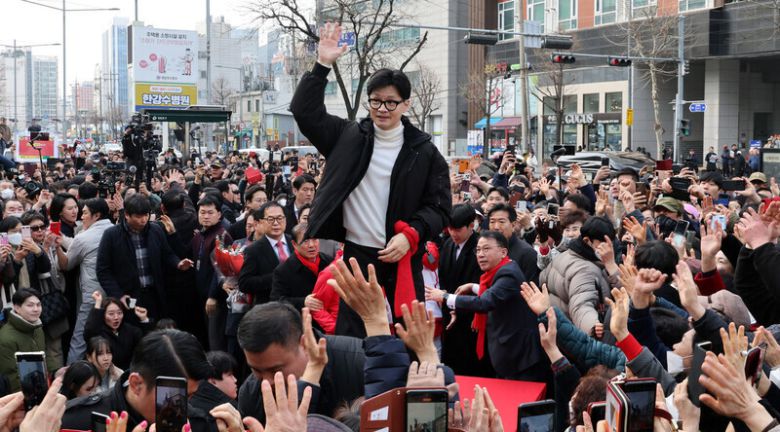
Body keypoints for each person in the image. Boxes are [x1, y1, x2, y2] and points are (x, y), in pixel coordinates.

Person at [290, 22, 451, 337]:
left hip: (404, 258)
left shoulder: (424, 151)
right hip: (358, 259)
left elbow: (440, 208)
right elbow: (304, 111)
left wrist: (412, 234)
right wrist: (322, 65)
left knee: (406, 342)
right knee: (358, 341)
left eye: (391, 102)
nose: (382, 108)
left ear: (406, 104)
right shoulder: (348, 136)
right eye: (375, 101)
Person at [426, 231, 547, 381]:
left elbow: (484, 302)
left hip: (519, 357)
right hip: (510, 354)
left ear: (503, 252)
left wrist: (445, 297)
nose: (480, 254)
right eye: (478, 250)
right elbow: (495, 293)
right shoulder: (503, 269)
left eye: (486, 249)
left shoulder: (508, 274)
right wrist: (474, 287)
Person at [237, 302, 364, 424]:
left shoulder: (358, 363)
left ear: (304, 344)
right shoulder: (251, 393)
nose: (267, 382)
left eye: (275, 370)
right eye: (256, 370)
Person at [61, 329, 213, 431]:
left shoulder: (196, 423)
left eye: (190, 396)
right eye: (174, 398)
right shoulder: (75, 421)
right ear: (136, 384)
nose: (183, 409)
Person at [96, 194, 193, 320]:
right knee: (133, 329)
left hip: (154, 293)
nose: (143, 220)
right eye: (138, 216)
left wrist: (178, 263)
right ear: (126, 215)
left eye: (146, 215)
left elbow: (167, 254)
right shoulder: (112, 235)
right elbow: (103, 270)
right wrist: (118, 295)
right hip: (129, 296)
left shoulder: (155, 230)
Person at [539, 216, 619, 336]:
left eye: (610, 243)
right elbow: (581, 305)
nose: (609, 248)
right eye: (603, 243)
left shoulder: (569, 253)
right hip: (576, 337)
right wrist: (593, 327)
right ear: (587, 241)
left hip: (561, 330)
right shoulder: (585, 270)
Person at [56, 198, 114, 364]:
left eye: (85, 212)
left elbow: (66, 264)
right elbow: (79, 245)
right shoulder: (116, 230)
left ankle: (71, 379)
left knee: (79, 339)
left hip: (92, 296)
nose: (81, 216)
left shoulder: (85, 237)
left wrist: (57, 246)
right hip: (115, 295)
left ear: (96, 215)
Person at [437, 204, 490, 377]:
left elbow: (482, 287)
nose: (453, 234)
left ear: (471, 226)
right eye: (450, 229)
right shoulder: (447, 245)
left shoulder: (480, 250)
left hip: (471, 320)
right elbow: (444, 276)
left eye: (458, 229)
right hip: (449, 316)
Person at [0, 289, 56, 391]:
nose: (36, 309)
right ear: (17, 308)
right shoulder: (5, 338)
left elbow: (44, 354)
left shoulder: (37, 327)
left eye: (38, 305)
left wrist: (56, 370)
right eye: (30, 305)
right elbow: (11, 377)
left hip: (41, 385)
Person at [270, 223, 333, 312]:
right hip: (301, 320)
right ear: (294, 244)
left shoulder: (329, 262)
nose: (311, 245)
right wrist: (303, 302)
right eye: (305, 241)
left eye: (314, 239)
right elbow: (277, 301)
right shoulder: (283, 270)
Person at [238, 202, 293, 304]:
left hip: (296, 305)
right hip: (268, 308)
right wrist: (276, 277)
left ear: (285, 220)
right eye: (270, 219)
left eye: (280, 218)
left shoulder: (295, 243)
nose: (276, 223)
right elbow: (244, 283)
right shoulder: (253, 250)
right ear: (261, 222)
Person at [83, 291, 149, 370]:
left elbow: (146, 344)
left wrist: (144, 319)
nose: (116, 317)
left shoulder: (130, 330)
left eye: (119, 313)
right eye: (111, 314)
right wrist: (98, 303)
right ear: (103, 315)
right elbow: (89, 332)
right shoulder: (98, 332)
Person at [487, 203, 539, 284]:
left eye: (501, 221)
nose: (496, 227)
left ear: (513, 225)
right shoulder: (485, 250)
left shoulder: (527, 253)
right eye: (492, 221)